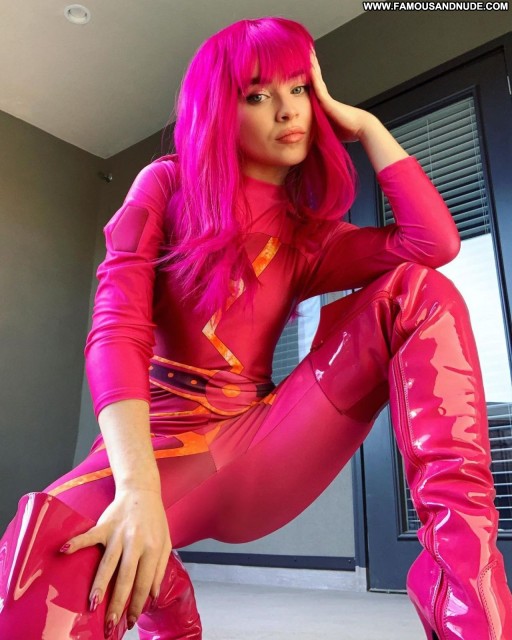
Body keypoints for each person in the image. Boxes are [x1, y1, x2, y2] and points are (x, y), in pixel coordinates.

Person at [0, 15, 511, 640]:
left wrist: (366, 126)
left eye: (299, 89)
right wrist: (135, 486)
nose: (289, 110)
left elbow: (432, 244)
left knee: (419, 291)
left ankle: (465, 594)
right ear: (220, 110)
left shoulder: (308, 237)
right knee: (37, 566)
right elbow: (116, 327)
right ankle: (170, 606)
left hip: (257, 444)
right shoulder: (165, 184)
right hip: (152, 451)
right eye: (257, 95)